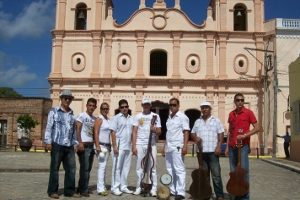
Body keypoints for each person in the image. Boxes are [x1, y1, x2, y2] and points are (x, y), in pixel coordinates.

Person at [44, 89, 80, 199]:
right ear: (61, 99)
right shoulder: (54, 111)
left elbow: (73, 131)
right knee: (55, 168)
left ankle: (69, 191)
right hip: (57, 144)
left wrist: (75, 143)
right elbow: (49, 127)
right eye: (65, 98)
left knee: (71, 169)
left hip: (69, 146)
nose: (67, 100)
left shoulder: (72, 114)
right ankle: (52, 191)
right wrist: (48, 141)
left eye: (69, 98)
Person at [225, 93, 260, 200]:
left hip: (243, 147)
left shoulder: (249, 113)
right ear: (235, 101)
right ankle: (236, 194)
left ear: (243, 101)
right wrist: (227, 147)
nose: (240, 102)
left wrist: (245, 135)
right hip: (232, 147)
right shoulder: (231, 114)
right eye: (238, 100)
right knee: (234, 172)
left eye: (242, 100)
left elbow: (258, 127)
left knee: (243, 172)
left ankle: (245, 197)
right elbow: (230, 132)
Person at [191, 101, 225, 200]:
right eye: (203, 107)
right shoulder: (198, 121)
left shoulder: (216, 120)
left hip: (213, 152)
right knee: (204, 175)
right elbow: (192, 133)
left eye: (206, 107)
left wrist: (219, 146)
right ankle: (206, 194)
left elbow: (221, 134)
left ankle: (219, 195)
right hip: (201, 152)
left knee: (216, 175)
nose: (204, 109)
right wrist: (195, 138)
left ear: (210, 109)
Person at [132, 98, 162, 197]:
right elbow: (135, 131)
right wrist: (134, 145)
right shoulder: (138, 116)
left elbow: (159, 131)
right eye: (144, 104)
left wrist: (154, 129)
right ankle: (138, 187)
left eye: (148, 104)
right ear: (142, 105)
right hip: (140, 143)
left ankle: (153, 188)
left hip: (152, 144)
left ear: (150, 105)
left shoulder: (155, 116)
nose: (146, 106)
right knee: (139, 166)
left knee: (152, 166)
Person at [164, 97, 190, 200]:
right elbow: (168, 133)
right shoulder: (169, 117)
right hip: (169, 146)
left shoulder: (182, 117)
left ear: (178, 106)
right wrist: (165, 146)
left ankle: (180, 192)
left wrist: (185, 145)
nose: (172, 107)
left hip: (178, 146)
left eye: (174, 105)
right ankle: (173, 190)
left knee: (179, 169)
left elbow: (186, 131)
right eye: (170, 105)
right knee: (170, 169)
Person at [110, 99, 134, 196]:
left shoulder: (131, 118)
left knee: (126, 168)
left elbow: (133, 132)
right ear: (119, 108)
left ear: (128, 107)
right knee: (117, 167)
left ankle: (123, 186)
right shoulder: (116, 118)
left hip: (128, 146)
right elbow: (113, 132)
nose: (124, 108)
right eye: (122, 107)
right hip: (119, 146)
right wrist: (114, 146)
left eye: (126, 107)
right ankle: (115, 187)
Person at [76, 98, 97, 197]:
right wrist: (79, 143)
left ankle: (81, 188)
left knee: (88, 169)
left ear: (95, 107)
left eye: (93, 106)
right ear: (87, 106)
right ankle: (83, 189)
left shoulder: (94, 119)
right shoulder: (82, 116)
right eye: (90, 105)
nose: (91, 107)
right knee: (84, 168)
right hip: (83, 145)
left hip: (91, 145)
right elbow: (78, 129)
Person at [94, 102, 111, 196]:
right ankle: (100, 189)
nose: (105, 110)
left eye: (107, 108)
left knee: (104, 167)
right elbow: (96, 132)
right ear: (100, 109)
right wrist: (97, 146)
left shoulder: (108, 120)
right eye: (103, 108)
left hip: (107, 146)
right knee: (102, 166)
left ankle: (103, 185)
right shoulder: (99, 119)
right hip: (100, 146)